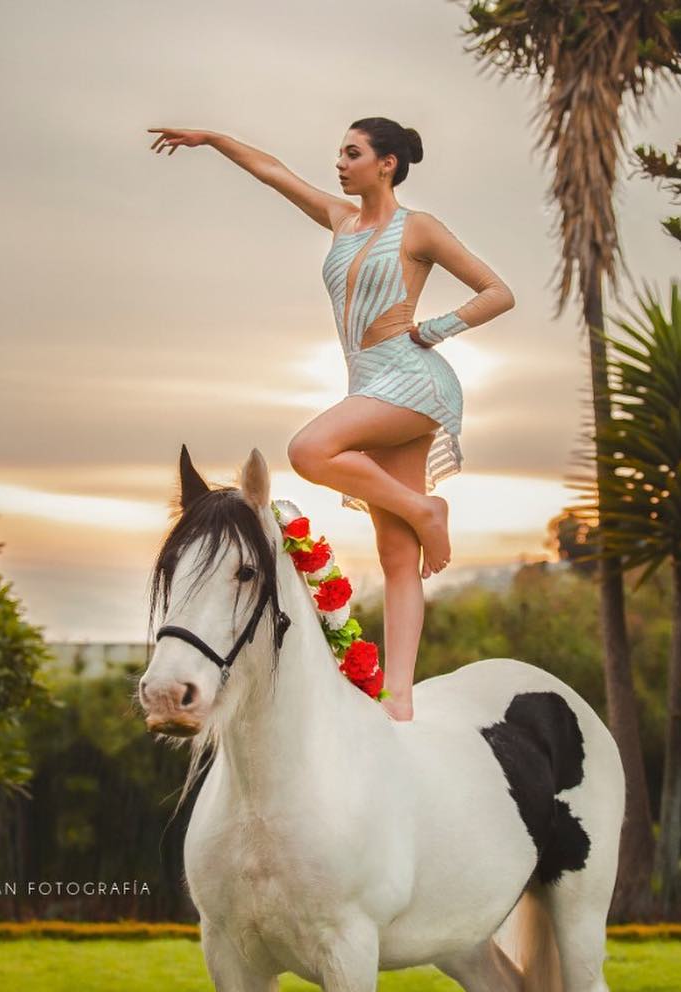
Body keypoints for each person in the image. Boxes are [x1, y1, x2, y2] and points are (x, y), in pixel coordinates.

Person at [147, 118, 515, 721]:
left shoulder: (418, 228)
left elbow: (497, 291)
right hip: (369, 385)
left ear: (387, 163)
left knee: (309, 449)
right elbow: (273, 173)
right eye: (339, 154)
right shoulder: (341, 220)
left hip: (412, 379)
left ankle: (428, 510)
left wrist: (433, 329)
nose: (340, 164)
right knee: (396, 557)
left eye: (353, 153)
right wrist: (212, 139)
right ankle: (399, 700)